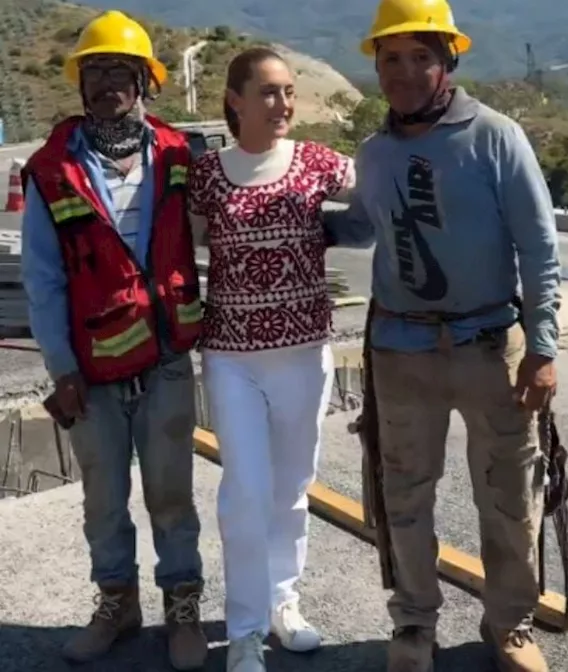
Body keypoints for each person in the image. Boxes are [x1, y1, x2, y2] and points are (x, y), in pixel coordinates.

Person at [322, 0, 562, 669]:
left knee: (510, 497)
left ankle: (509, 623)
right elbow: (365, 224)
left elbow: (540, 248)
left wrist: (542, 348)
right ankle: (412, 626)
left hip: (491, 346)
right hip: (402, 350)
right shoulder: (376, 151)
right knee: (403, 495)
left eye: (419, 56)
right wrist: (298, 221)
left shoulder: (494, 137)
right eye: (390, 58)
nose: (402, 71)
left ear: (447, 61)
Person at [19, 11, 206, 668]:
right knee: (103, 499)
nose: (106, 84)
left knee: (172, 495)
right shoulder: (49, 171)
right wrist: (61, 368)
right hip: (92, 372)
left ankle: (183, 609)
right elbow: (42, 280)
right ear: (79, 84)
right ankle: (117, 604)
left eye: (120, 72)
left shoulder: (180, 154)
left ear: (146, 81)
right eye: (94, 71)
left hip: (167, 363)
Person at [187, 47, 355, 671]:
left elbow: (384, 187)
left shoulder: (317, 163)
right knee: (245, 493)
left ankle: (284, 603)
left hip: (305, 352)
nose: (282, 103)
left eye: (287, 92)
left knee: (290, 490)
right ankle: (245, 630)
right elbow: (191, 241)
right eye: (267, 92)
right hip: (232, 355)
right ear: (234, 99)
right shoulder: (206, 175)